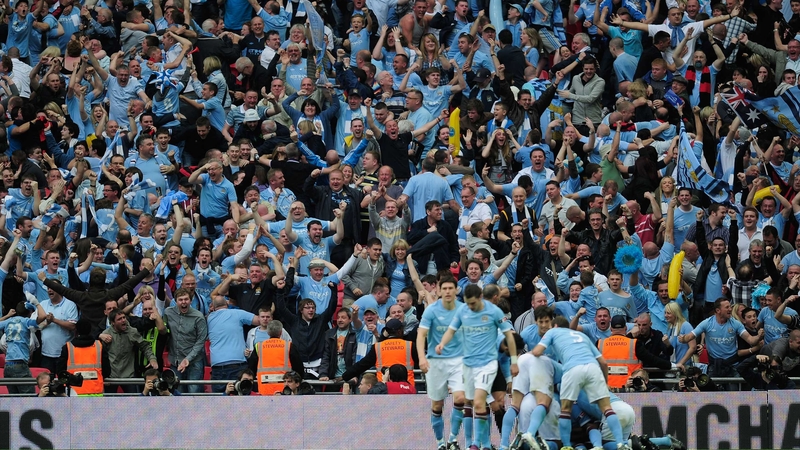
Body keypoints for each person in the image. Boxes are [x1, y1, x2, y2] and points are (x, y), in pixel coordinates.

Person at [436, 284, 518, 450]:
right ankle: (474, 444)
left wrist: (513, 365)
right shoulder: (463, 312)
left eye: (473, 303)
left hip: (489, 366)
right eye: (468, 303)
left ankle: (492, 443)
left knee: (494, 405)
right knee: (473, 402)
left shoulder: (495, 315)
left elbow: (509, 341)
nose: (470, 307)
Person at [531, 316, 628, 450]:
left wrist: (527, 356)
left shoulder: (553, 332)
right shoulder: (581, 335)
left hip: (572, 368)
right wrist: (605, 383)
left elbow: (537, 352)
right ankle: (620, 443)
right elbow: (604, 363)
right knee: (607, 409)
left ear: (555, 326)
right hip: (593, 368)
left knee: (566, 410)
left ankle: (566, 446)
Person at [417, 277, 467, 450]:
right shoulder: (431, 311)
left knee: (460, 398)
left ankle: (452, 439)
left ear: (455, 291)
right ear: (438, 290)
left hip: (459, 360)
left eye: (450, 288)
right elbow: (421, 335)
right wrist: (422, 358)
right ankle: (440, 443)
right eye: (443, 288)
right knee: (437, 405)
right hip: (435, 362)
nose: (447, 291)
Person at [206, 296, 260, 393]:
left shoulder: (209, 318)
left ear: (213, 307)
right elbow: (259, 320)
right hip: (238, 365)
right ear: (227, 304)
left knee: (218, 402)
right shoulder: (237, 313)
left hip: (217, 366)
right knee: (241, 400)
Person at [100, 308, 159, 394]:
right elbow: (100, 356)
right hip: (111, 376)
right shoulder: (106, 335)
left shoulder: (132, 331)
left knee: (133, 403)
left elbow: (145, 346)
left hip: (129, 376)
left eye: (124, 317)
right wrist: (103, 376)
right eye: (119, 319)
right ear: (113, 323)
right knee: (109, 404)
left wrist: (152, 358)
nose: (123, 320)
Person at [162, 287, 208, 394]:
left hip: (194, 362)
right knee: (178, 393)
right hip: (176, 361)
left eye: (186, 299)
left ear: (190, 301)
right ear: (175, 301)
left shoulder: (198, 317)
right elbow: (164, 332)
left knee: (194, 392)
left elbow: (201, 340)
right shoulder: (168, 313)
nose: (183, 302)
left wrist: (188, 359)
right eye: (180, 299)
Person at [248, 319, 305, 395]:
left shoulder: (259, 346)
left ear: (268, 332)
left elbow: (251, 367)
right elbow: (298, 367)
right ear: (281, 332)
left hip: (265, 388)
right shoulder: (289, 346)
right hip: (285, 389)